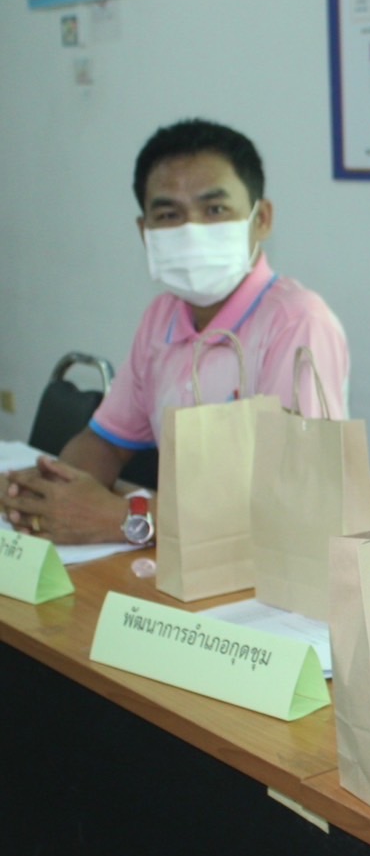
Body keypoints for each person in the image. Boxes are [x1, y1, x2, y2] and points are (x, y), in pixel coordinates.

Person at [3, 118, 350, 545]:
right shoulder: (162, 316)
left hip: (268, 572)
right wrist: (43, 494)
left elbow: (298, 507)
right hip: (178, 560)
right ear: (144, 232)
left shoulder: (298, 323)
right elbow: (106, 442)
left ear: (261, 219)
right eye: (169, 215)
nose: (192, 231)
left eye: (215, 210)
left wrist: (122, 519)